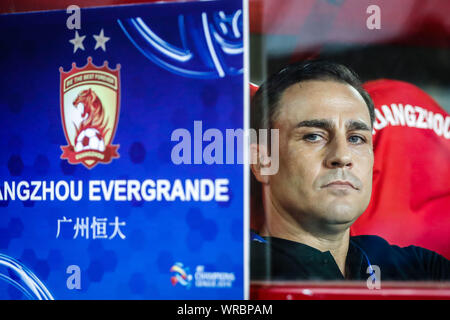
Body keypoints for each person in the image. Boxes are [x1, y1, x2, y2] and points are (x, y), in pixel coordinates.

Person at [250, 60, 450, 281]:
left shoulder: (418, 268)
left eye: (356, 138)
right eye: (313, 136)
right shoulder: (230, 275)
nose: (342, 156)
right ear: (262, 161)